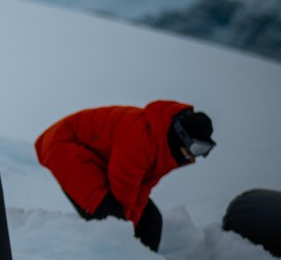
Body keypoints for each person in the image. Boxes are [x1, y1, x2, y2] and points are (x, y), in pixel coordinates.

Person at [34, 100, 215, 252]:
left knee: (151, 221)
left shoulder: (165, 144)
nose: (195, 156)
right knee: (111, 218)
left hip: (101, 160)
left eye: (203, 150)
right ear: (181, 136)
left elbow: (142, 186)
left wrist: (133, 224)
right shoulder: (142, 137)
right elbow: (123, 186)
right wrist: (127, 228)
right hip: (64, 147)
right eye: (196, 148)